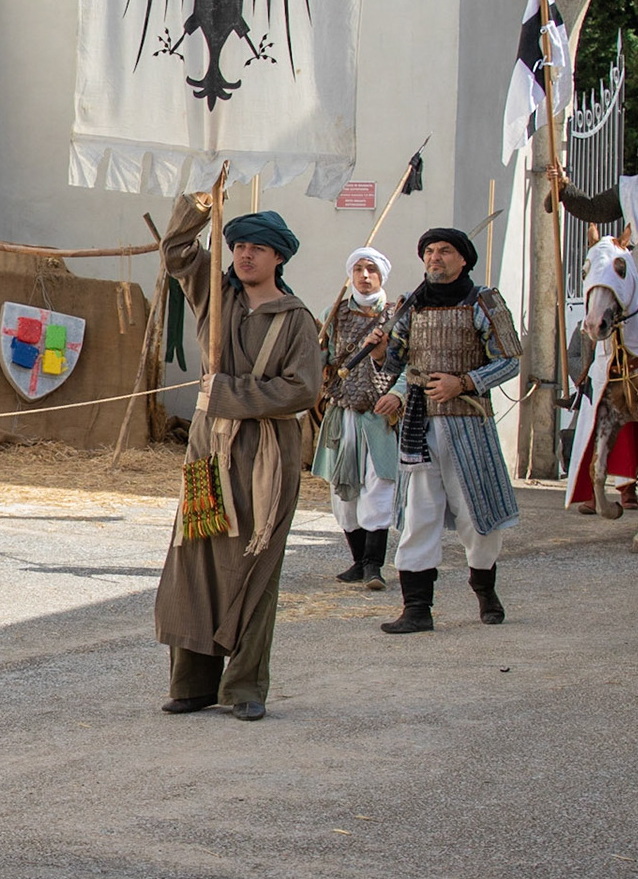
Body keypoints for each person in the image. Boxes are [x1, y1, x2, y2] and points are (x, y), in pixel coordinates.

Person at [154, 198, 322, 722]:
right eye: (240, 246)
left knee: (253, 563)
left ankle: (245, 686)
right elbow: (177, 251)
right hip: (208, 448)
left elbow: (302, 389)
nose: (245, 255)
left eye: (258, 249)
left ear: (279, 258)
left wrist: (228, 393)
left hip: (267, 455)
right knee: (196, 557)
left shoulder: (296, 319)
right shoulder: (215, 295)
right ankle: (192, 684)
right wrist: (199, 208)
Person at [374, 228, 523, 633]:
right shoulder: (412, 305)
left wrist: (466, 382)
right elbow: (394, 364)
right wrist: (381, 353)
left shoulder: (483, 301)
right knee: (418, 516)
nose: (434, 258)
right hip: (419, 423)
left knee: (477, 515)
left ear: (463, 259)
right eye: (429, 251)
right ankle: (417, 609)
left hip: (468, 425)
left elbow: (510, 359)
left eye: (444, 251)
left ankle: (485, 589)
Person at [312, 247, 400, 590]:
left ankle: (374, 565)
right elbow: (321, 359)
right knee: (343, 491)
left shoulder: (398, 317)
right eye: (358, 269)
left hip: (379, 418)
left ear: (381, 275)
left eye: (371, 269)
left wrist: (398, 394)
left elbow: (408, 367)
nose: (364, 276)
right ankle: (359, 561)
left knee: (379, 488)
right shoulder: (333, 314)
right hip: (343, 413)